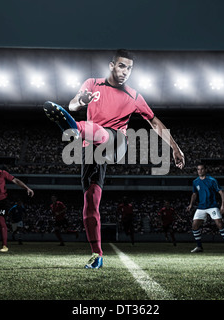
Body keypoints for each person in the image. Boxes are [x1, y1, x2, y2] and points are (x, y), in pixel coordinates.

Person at [44, 49, 185, 269]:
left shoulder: (134, 96)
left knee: (100, 131)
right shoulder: (92, 83)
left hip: (116, 142)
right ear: (111, 65)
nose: (125, 71)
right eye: (121, 66)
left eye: (129, 68)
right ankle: (97, 254)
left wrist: (175, 148)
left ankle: (73, 127)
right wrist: (80, 100)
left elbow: (154, 122)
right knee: (90, 201)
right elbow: (73, 104)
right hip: (90, 150)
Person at [186, 163, 224, 253]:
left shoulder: (212, 180)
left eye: (202, 169)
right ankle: (199, 247)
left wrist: (223, 205)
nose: (200, 171)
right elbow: (194, 194)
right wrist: (191, 204)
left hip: (212, 206)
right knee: (194, 226)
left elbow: (222, 192)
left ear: (205, 170)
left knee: (220, 224)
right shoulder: (195, 182)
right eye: (198, 169)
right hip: (201, 207)